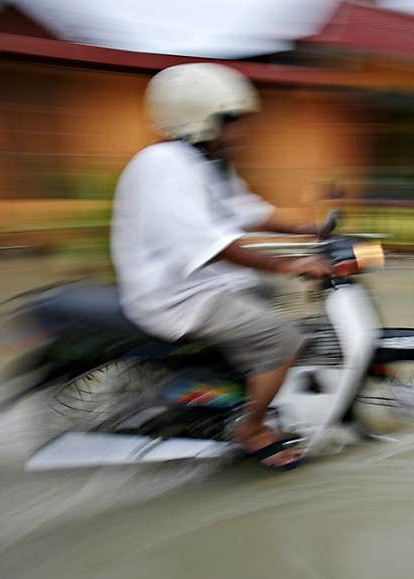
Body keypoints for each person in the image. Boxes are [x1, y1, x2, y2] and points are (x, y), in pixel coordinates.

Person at [111, 63, 334, 470]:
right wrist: (291, 265)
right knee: (281, 338)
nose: (241, 132)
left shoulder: (206, 165)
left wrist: (313, 228)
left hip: (200, 283)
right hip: (175, 297)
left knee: (269, 296)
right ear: (200, 121)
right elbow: (214, 246)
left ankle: (235, 386)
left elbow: (250, 212)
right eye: (232, 121)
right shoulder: (165, 166)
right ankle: (250, 428)